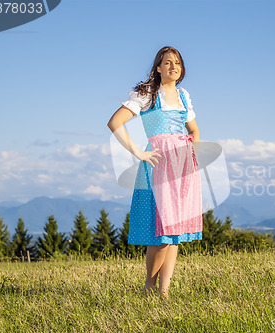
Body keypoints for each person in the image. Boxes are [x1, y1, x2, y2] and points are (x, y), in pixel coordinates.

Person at [107, 46, 203, 299]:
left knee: (174, 235)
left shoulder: (183, 96)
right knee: (161, 233)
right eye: (167, 63)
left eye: (178, 63)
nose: (173, 67)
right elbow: (114, 122)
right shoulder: (147, 94)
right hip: (158, 163)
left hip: (183, 166)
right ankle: (149, 287)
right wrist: (139, 152)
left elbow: (195, 130)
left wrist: (190, 151)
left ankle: (164, 293)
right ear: (158, 68)